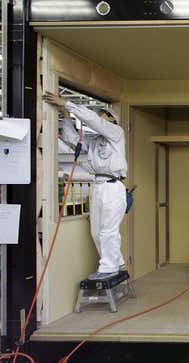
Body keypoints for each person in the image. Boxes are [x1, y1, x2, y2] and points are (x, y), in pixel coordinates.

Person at [43, 91, 127, 280]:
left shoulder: (116, 133)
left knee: (108, 230)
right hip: (98, 185)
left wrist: (67, 104)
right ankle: (118, 261)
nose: (99, 117)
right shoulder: (95, 141)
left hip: (113, 186)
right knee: (96, 231)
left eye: (103, 114)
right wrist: (65, 117)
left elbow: (94, 122)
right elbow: (74, 140)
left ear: (112, 120)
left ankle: (109, 267)